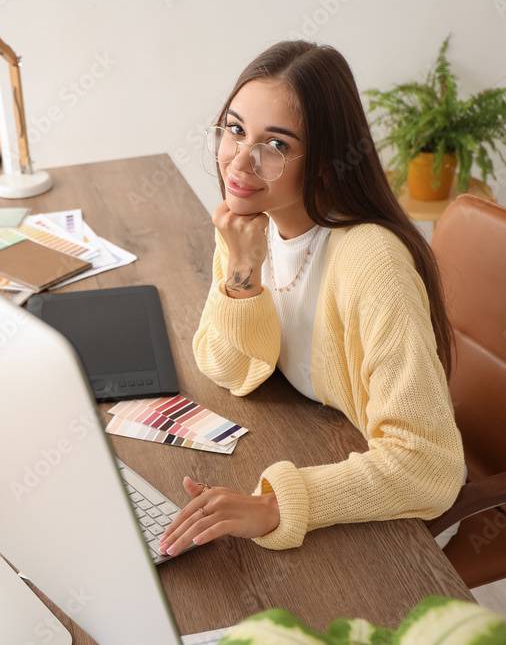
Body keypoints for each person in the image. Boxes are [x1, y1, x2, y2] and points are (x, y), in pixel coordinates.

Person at [158, 41, 466, 556]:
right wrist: (241, 270)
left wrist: (276, 505)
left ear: (323, 164)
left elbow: (429, 464)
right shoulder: (249, 227)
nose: (240, 161)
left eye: (275, 146)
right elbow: (229, 368)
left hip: (382, 516)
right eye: (235, 130)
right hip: (315, 433)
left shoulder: (372, 263)